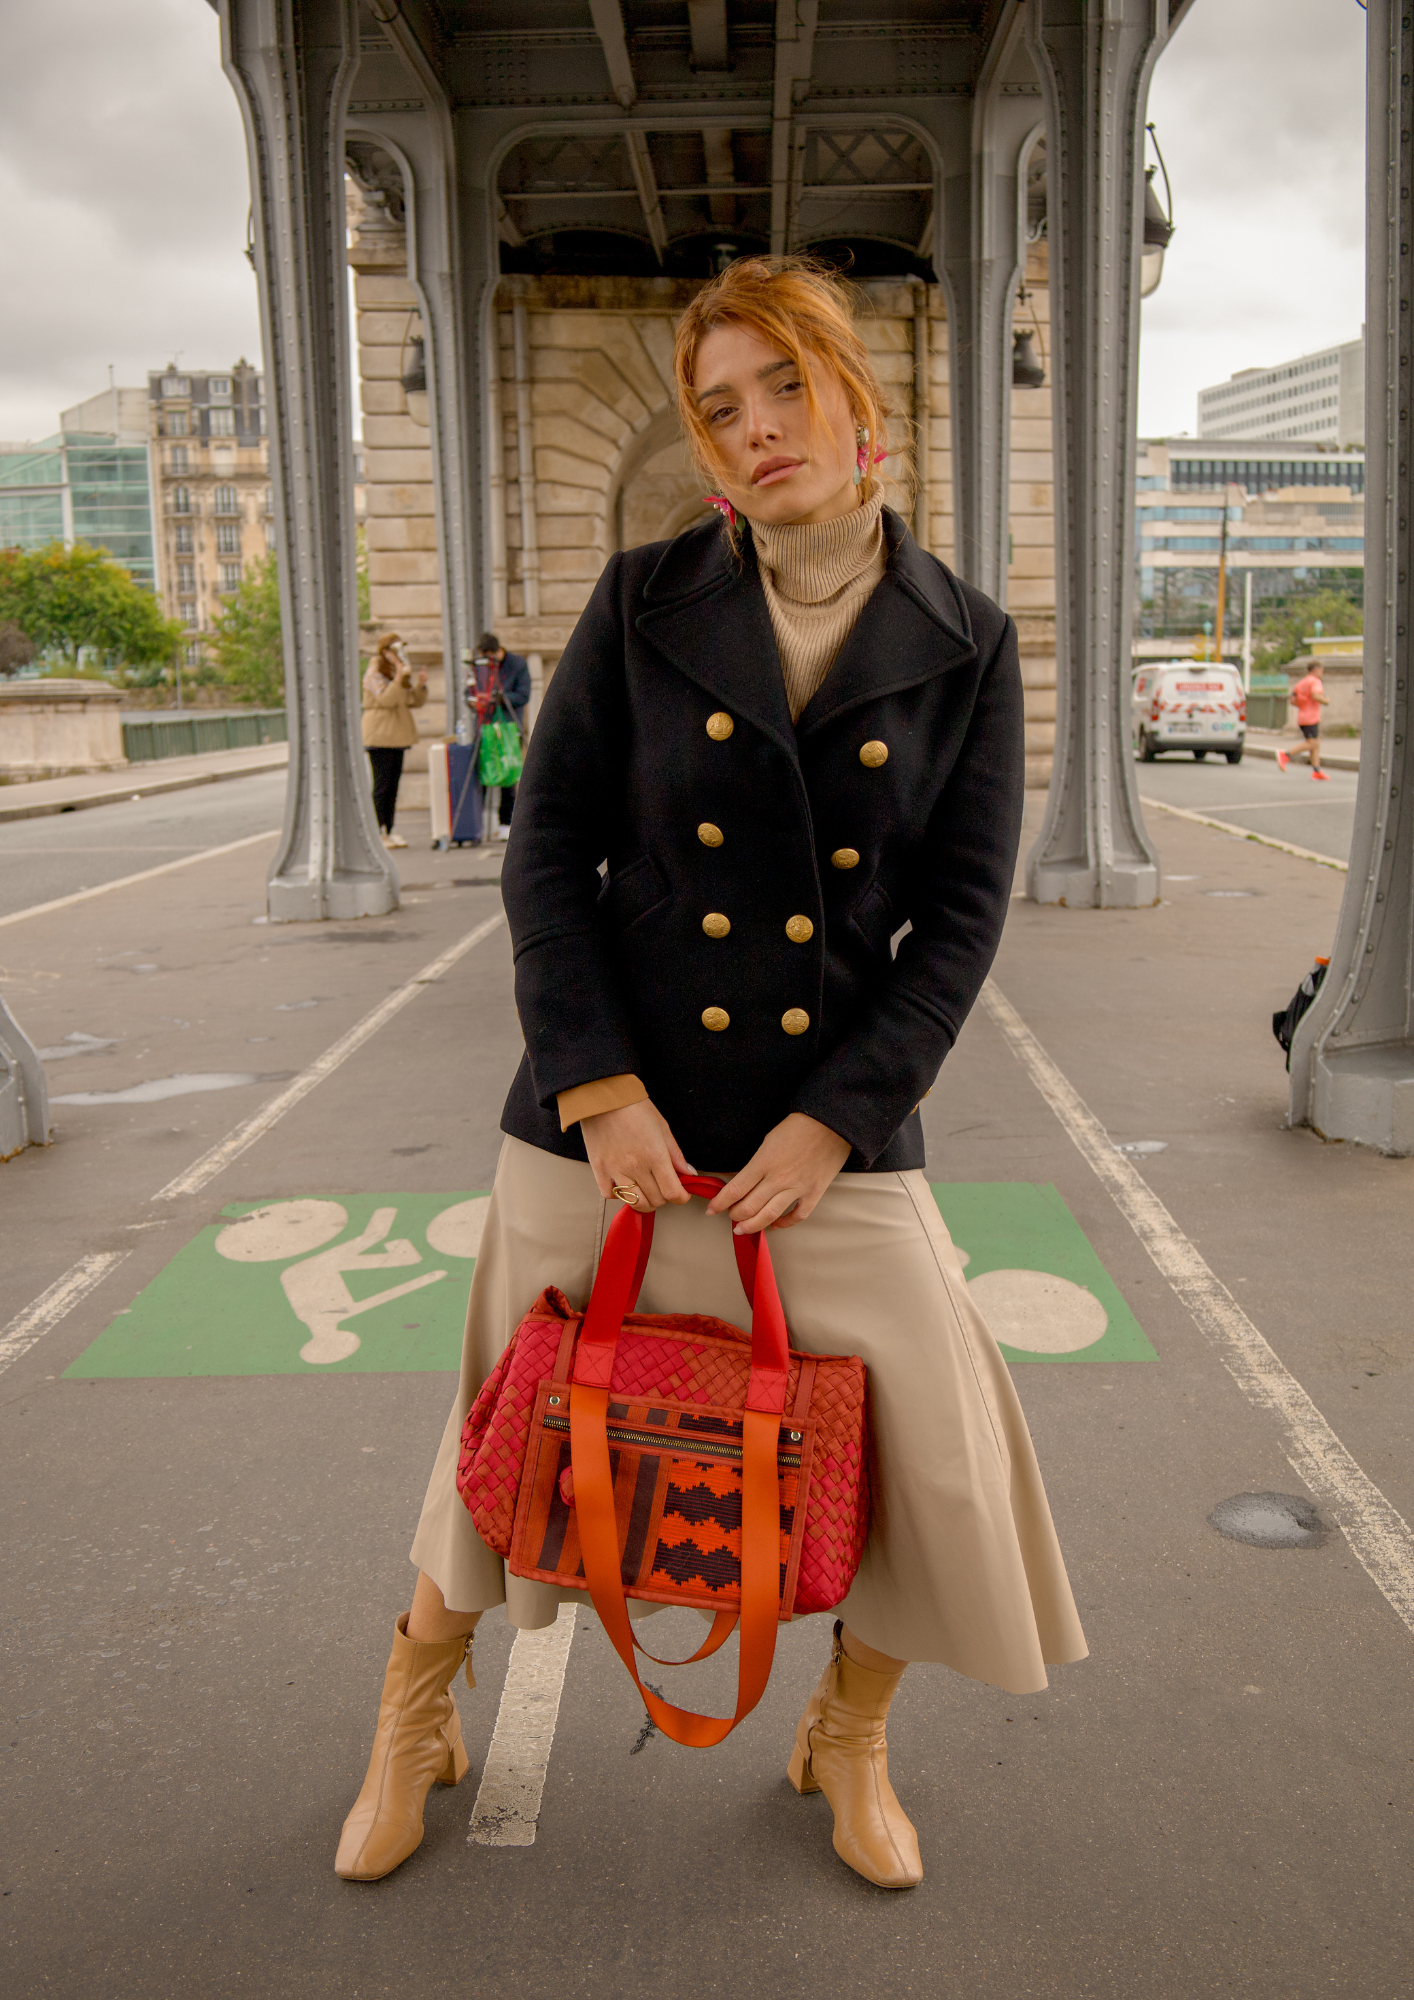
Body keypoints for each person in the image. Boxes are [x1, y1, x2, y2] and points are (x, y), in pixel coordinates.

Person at [334, 257, 1087, 1892]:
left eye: (782, 388)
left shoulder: (963, 641)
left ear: (855, 398)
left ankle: (848, 1735)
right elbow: (547, 862)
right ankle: (412, 1712)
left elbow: (957, 919)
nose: (752, 432)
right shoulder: (638, 599)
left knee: (928, 1465)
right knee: (506, 1435)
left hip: (823, 1137)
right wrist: (597, 1090)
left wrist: (838, 1119)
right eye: (717, 408)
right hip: (606, 1120)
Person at [362, 634, 429, 846]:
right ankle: (378, 832)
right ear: (385, 653)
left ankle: (389, 831)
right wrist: (399, 677)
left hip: (397, 736)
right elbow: (386, 699)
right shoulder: (373, 673)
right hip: (380, 736)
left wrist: (420, 686)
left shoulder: (395, 673)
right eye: (395, 651)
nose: (399, 655)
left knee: (393, 785)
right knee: (381, 786)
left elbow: (412, 701)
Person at [471, 634, 531, 838]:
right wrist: (473, 700)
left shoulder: (517, 664)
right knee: (481, 773)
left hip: (507, 726)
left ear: (497, 652)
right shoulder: (479, 666)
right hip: (485, 726)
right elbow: (470, 690)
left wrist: (498, 698)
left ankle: (506, 822)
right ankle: (478, 823)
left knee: (508, 771)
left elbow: (523, 695)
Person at [1276, 664, 1330, 779]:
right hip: (1312, 717)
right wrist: (1325, 701)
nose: (1322, 673)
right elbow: (1315, 695)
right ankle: (1285, 754)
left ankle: (1317, 770)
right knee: (1312, 743)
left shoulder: (1301, 682)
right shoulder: (1315, 681)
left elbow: (1292, 700)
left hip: (1302, 716)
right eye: (1321, 670)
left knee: (1316, 743)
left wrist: (1303, 705)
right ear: (1316, 669)